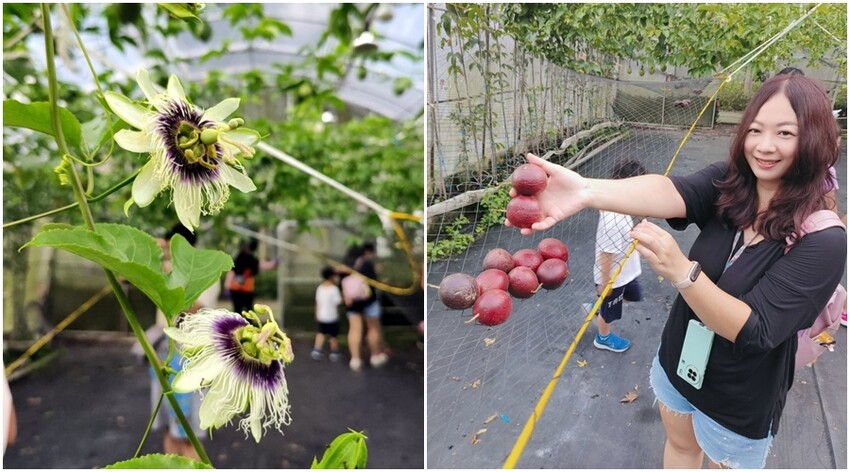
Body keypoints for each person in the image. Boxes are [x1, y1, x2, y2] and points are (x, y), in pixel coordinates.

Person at [508, 74, 846, 468]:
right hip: (679, 362)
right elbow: (672, 191)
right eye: (756, 129)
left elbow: (756, 330)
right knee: (682, 448)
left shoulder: (824, 240)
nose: (765, 146)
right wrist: (586, 190)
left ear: (815, 140)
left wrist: (683, 272)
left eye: (785, 133)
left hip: (738, 397)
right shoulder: (734, 186)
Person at [149, 224, 219, 460]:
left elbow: (196, 307)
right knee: (170, 426)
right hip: (166, 351)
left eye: (172, 247)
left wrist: (169, 276)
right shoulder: (165, 268)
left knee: (189, 432)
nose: (168, 252)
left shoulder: (203, 272)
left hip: (191, 355)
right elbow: (122, 277)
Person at [592, 159, 647, 353]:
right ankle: (603, 337)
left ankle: (600, 307)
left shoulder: (625, 207)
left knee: (634, 296)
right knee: (609, 315)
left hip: (628, 271)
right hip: (613, 279)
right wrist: (605, 285)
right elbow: (607, 255)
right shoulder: (613, 219)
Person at [225, 238, 278, 314]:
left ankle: (249, 324)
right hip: (236, 289)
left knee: (249, 310)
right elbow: (231, 272)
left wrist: (274, 263)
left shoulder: (252, 260)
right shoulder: (238, 259)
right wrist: (227, 286)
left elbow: (263, 265)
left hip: (247, 290)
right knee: (237, 311)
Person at [312, 266, 343, 361]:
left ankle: (317, 350)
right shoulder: (334, 289)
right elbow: (338, 301)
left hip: (322, 315)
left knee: (321, 333)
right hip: (332, 316)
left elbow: (318, 302)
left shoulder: (320, 288)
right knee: (333, 335)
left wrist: (317, 313)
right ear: (331, 276)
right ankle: (334, 352)